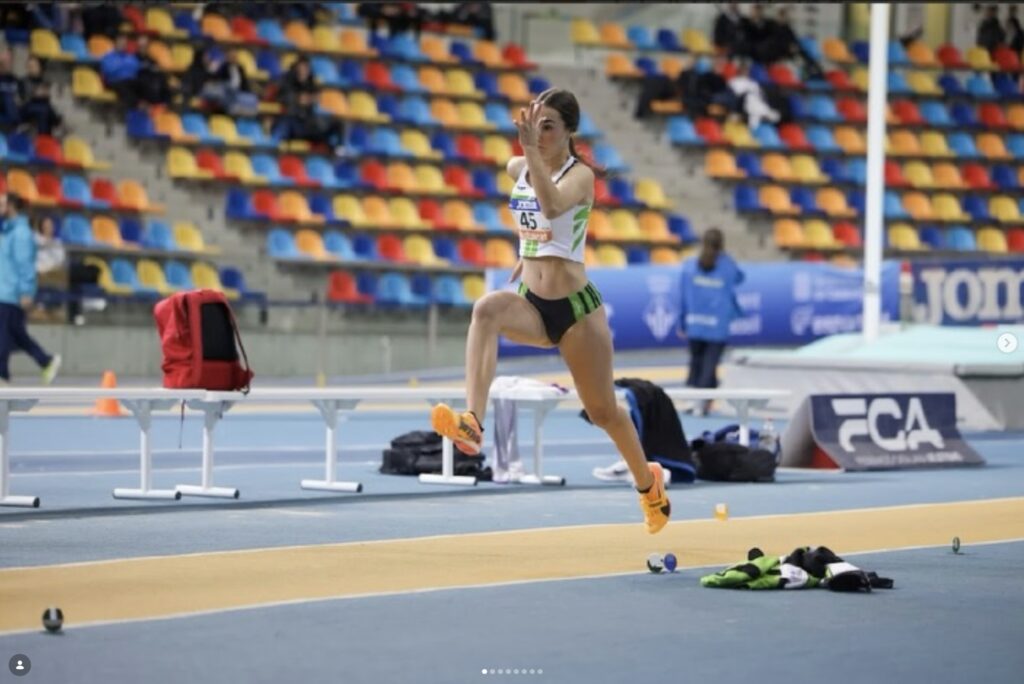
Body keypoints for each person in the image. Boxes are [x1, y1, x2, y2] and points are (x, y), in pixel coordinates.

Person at [429, 89, 671, 534]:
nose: (538, 134)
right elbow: (533, 220)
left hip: (577, 313)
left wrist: (530, 155)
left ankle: (647, 484)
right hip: (533, 303)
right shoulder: (518, 168)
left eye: (548, 126)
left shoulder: (579, 176)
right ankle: (472, 421)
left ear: (569, 131)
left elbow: (553, 205)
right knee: (486, 310)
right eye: (534, 124)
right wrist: (526, 252)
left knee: (603, 413)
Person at [676, 228, 744, 417]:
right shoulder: (727, 265)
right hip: (717, 326)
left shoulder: (689, 266)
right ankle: (701, 402)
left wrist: (681, 322)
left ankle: (696, 400)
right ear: (721, 244)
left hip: (694, 323)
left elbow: (682, 297)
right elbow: (740, 278)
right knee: (709, 364)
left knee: (697, 361)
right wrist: (726, 257)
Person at [0, 194, 61, 385]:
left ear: (11, 206)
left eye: (1, 203)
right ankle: (46, 361)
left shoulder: (21, 233)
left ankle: (2, 376)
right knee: (16, 334)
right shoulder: (7, 231)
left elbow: (25, 265)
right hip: (4, 291)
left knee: (4, 337)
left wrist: (26, 291)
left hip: (11, 293)